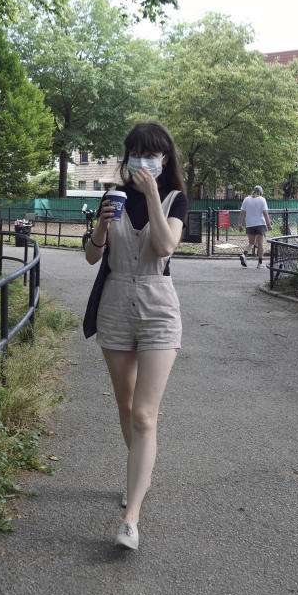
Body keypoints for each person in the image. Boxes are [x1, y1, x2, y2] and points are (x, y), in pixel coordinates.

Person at [81, 121, 189, 550]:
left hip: (158, 308)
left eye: (152, 153)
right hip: (115, 304)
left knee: (145, 414)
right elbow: (92, 257)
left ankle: (132, 516)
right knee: (125, 406)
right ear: (126, 156)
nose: (143, 160)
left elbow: (164, 248)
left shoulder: (176, 198)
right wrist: (102, 228)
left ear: (164, 159)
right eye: (136, 152)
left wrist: (151, 197)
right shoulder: (112, 197)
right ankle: (138, 476)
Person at [238, 185, 272, 268]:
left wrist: (240, 224)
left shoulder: (246, 199)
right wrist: (269, 225)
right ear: (261, 192)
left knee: (251, 243)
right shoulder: (262, 200)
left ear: (253, 191)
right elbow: (265, 213)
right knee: (260, 244)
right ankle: (260, 263)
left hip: (249, 224)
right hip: (260, 224)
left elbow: (242, 213)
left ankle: (244, 254)